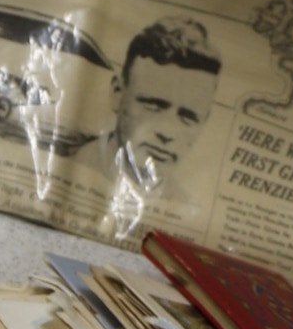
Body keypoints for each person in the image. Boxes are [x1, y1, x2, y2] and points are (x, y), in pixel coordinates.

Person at [94, 17, 221, 203]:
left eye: (189, 117)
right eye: (153, 105)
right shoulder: (64, 163)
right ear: (117, 94)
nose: (167, 133)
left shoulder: (186, 205)